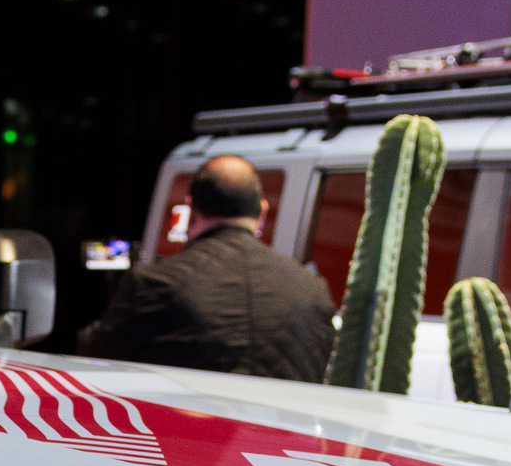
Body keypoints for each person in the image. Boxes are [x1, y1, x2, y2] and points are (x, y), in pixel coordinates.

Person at [78, 155, 335, 380]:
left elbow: (95, 361)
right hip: (285, 435)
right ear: (262, 212)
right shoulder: (312, 289)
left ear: (190, 210)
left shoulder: (153, 284)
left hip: (187, 435)